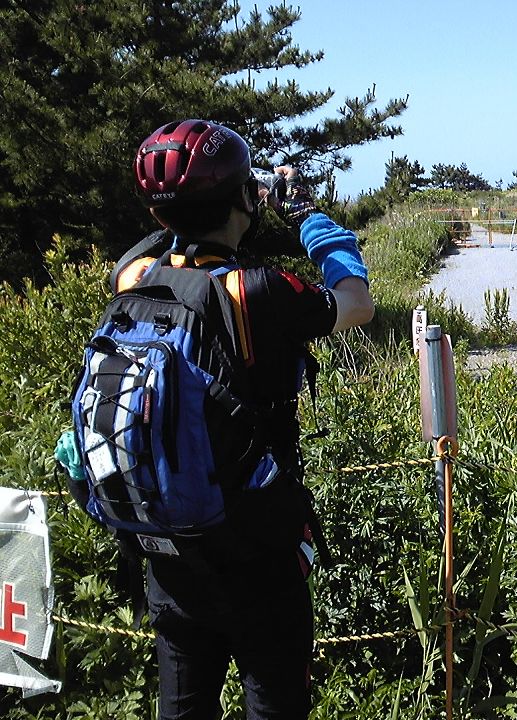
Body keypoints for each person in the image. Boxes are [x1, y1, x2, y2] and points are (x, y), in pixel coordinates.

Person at [115, 119, 371, 719]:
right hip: (257, 549)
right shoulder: (255, 291)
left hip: (170, 551)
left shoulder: (131, 278)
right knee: (274, 702)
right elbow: (356, 303)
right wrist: (304, 209)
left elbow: (170, 246)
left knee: (182, 705)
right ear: (241, 198)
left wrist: (184, 211)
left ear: (159, 214)